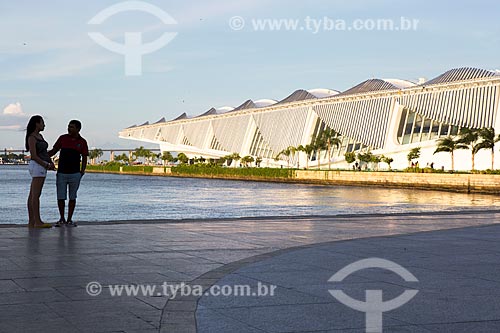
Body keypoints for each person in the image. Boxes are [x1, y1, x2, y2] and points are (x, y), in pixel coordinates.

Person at [48, 120, 88, 227]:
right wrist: (42, 155)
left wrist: (82, 171)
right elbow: (54, 151)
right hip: (61, 173)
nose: (69, 128)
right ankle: (62, 218)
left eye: (72, 127)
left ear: (78, 129)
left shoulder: (82, 142)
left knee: (72, 197)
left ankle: (69, 219)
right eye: (68, 126)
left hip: (75, 174)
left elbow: (84, 157)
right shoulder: (62, 138)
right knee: (60, 196)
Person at [25, 115, 55, 228]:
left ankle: (32, 221)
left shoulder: (40, 136)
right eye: (42, 122)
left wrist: (50, 162)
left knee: (32, 194)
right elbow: (34, 155)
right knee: (36, 195)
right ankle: (37, 221)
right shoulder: (32, 137)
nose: (44, 125)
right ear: (37, 123)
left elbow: (44, 153)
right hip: (37, 166)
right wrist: (46, 165)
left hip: (41, 166)